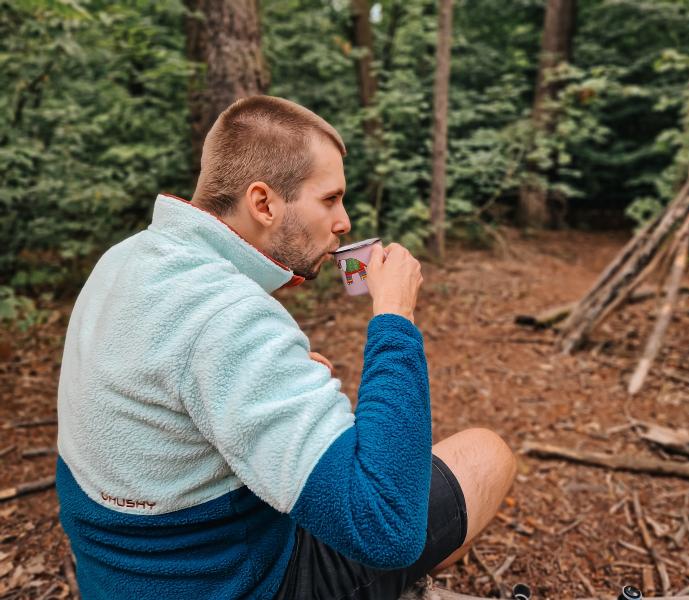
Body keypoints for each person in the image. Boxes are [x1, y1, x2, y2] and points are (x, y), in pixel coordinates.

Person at [56, 95, 516, 600]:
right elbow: (389, 528)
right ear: (263, 203)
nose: (344, 222)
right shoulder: (230, 317)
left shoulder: (129, 259)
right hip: (241, 584)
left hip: (125, 572)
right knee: (486, 455)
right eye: (330, 199)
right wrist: (394, 316)